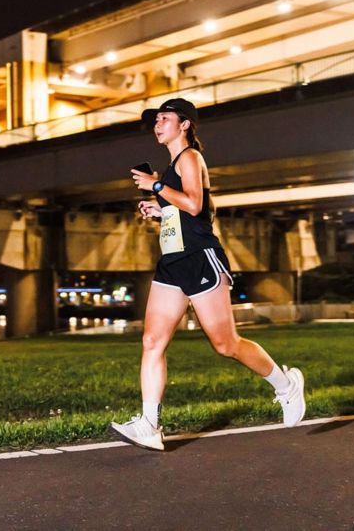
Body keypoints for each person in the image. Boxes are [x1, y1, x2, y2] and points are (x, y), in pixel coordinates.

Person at [109, 98, 306, 451]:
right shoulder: (173, 167)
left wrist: (156, 187)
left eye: (165, 118)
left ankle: (286, 385)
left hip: (200, 259)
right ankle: (149, 425)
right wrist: (160, 210)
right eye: (156, 120)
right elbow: (196, 210)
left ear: (184, 124)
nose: (158, 124)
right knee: (152, 341)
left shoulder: (190, 158)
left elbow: (196, 204)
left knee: (226, 344)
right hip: (172, 262)